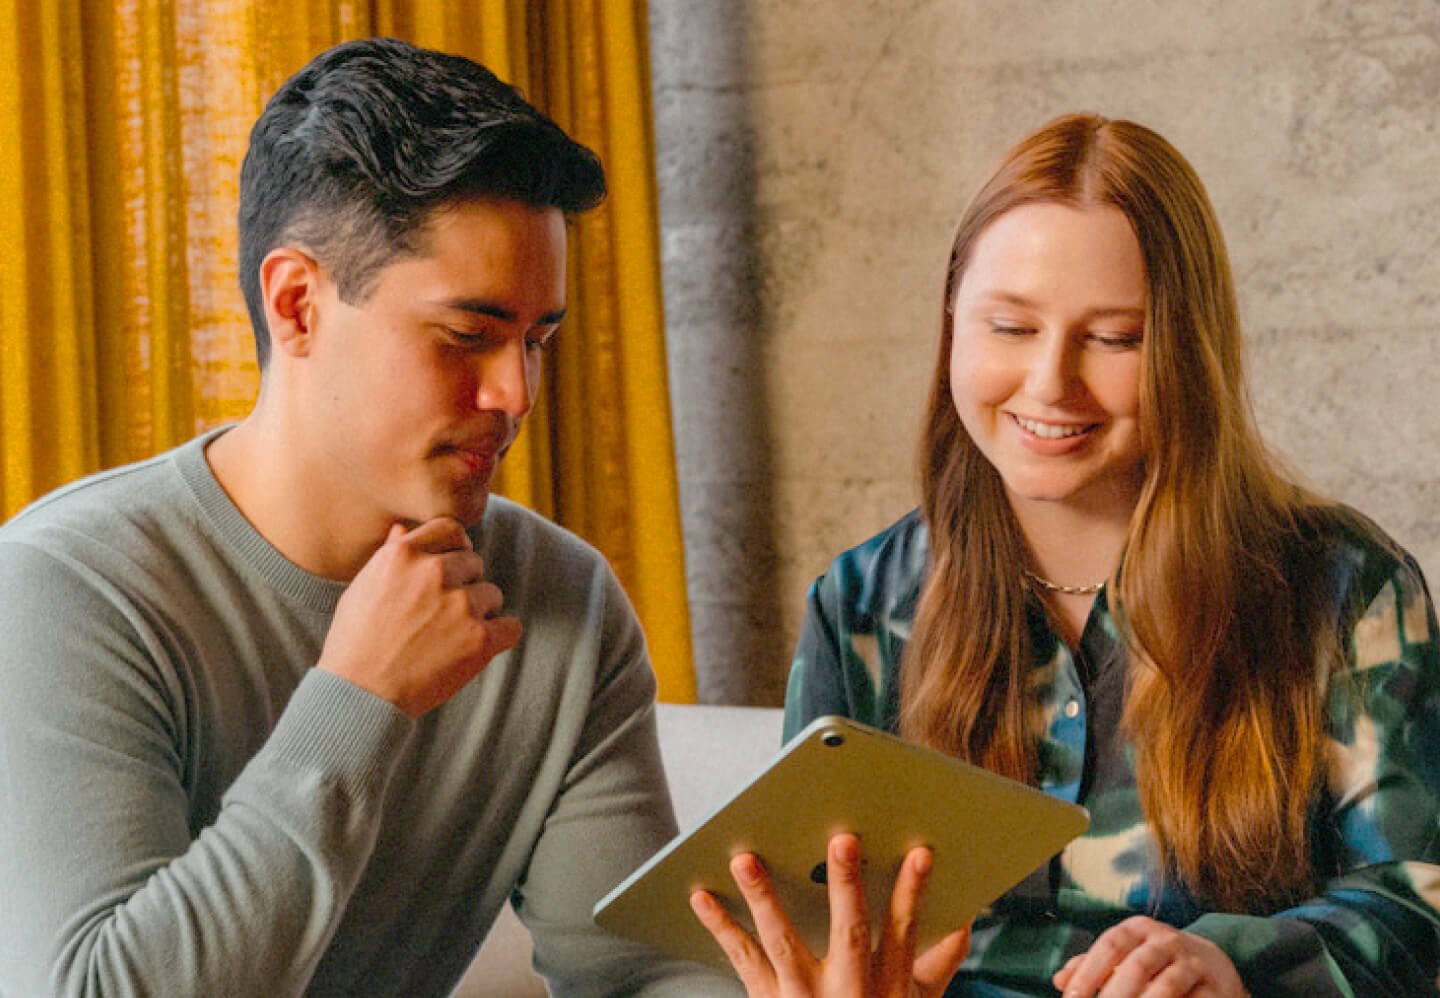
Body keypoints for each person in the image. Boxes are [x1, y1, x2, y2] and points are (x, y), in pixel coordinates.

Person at [0, 37, 742, 996]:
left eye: (539, 340)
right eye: (468, 337)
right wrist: (359, 701)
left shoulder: (561, 600)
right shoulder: (64, 592)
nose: (516, 394)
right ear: (298, 304)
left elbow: (633, 974)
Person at [762, 113, 1440, 995]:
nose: (1050, 384)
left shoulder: (1344, 584)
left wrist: (1230, 967)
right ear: (953, 323)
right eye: (1010, 327)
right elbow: (810, 924)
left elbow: (1416, 900)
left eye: (1116, 339)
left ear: (1190, 352)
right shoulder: (855, 602)